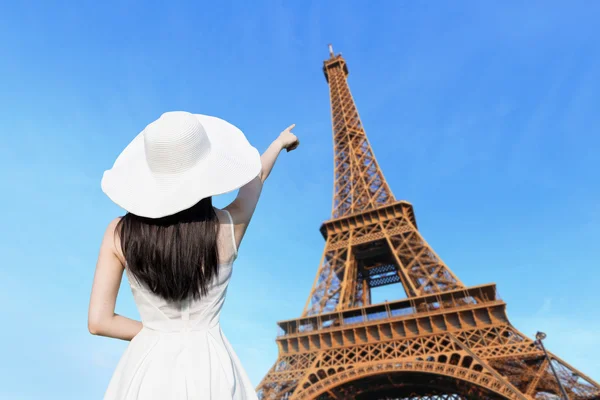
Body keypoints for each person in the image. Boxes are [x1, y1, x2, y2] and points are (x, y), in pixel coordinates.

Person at [88, 111, 299, 399]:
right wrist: (278, 143)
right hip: (212, 369)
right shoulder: (227, 227)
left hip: (147, 369)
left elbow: (99, 322)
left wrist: (156, 333)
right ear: (205, 172)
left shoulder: (118, 233)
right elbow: (256, 176)